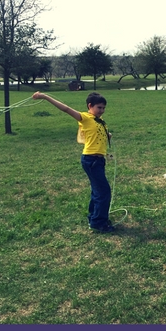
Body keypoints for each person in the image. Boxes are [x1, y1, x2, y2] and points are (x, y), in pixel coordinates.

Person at [32, 90, 115, 233]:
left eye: (103, 108)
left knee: (98, 191)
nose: (102, 110)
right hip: (91, 160)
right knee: (104, 191)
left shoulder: (100, 121)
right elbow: (65, 109)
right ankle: (98, 223)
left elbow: (96, 133)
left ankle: (94, 218)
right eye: (99, 107)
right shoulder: (85, 117)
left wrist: (107, 135)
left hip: (99, 160)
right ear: (90, 106)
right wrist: (45, 97)